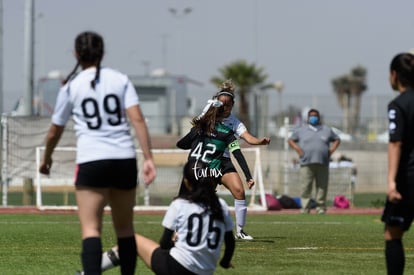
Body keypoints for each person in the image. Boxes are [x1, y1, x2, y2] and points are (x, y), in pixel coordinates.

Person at [39, 31, 156, 275]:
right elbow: (138, 119)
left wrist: (46, 158)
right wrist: (148, 158)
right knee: (125, 229)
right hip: (124, 159)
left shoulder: (71, 86)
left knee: (91, 230)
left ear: (76, 54)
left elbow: (53, 132)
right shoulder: (120, 79)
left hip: (92, 161)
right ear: (102, 53)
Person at [76, 159, 235, 275]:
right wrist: (224, 262)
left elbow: (164, 244)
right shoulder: (221, 205)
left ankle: (86, 273)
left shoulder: (180, 204)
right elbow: (230, 243)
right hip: (205, 272)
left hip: (176, 268)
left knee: (133, 240)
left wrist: (175, 242)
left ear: (186, 182)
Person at [177, 95, 255, 240]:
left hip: (203, 168)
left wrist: (248, 176)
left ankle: (239, 231)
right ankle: (186, 230)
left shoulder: (220, 131)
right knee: (197, 201)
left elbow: (181, 144)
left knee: (189, 200)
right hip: (204, 168)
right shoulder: (203, 130)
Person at [209, 79, 270, 240]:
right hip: (206, 160)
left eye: (228, 104)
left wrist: (259, 141)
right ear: (217, 103)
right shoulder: (208, 117)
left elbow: (248, 138)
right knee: (201, 196)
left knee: (239, 191)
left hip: (224, 160)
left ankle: (240, 231)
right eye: (222, 103)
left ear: (232, 105)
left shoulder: (234, 123)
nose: (225, 106)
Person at [381, 52, 414, 275]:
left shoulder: (398, 104)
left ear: (394, 75)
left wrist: (391, 182)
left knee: (392, 232)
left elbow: (396, 143)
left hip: (408, 177)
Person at [288, 108, 341, 214]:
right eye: (311, 116)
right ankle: (305, 208)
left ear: (318, 117)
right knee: (305, 186)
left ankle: (320, 207)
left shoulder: (326, 130)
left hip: (323, 162)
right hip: (306, 162)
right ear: (308, 118)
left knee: (322, 186)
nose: (313, 118)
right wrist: (298, 149)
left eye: (315, 116)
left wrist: (331, 151)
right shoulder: (301, 130)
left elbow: (337, 139)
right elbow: (290, 140)